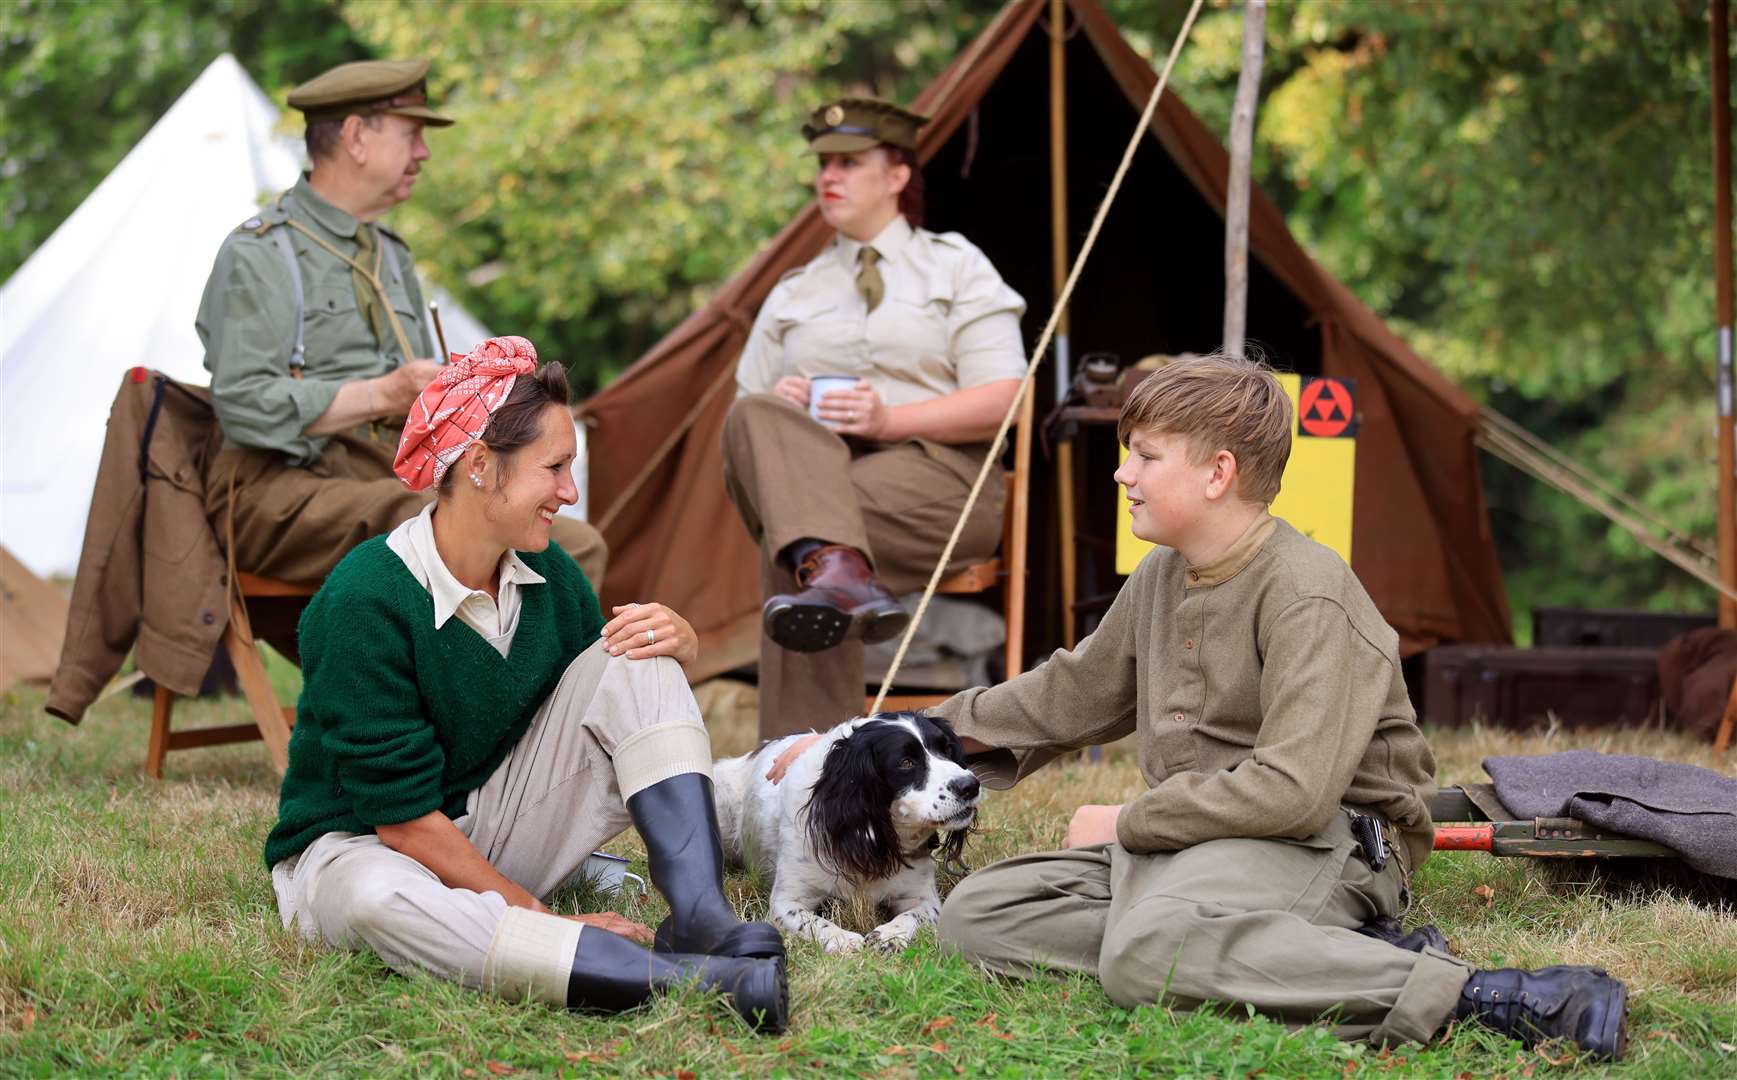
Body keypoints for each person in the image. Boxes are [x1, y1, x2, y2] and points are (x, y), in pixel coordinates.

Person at [930, 354, 1630, 1059]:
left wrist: (1129, 820)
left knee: (1145, 954)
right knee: (980, 914)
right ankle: (1292, 952)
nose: (1122, 474)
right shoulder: (1162, 573)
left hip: (1326, 836)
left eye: (1144, 456)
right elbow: (1070, 694)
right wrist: (906, 736)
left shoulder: (1307, 591)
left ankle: (1502, 998)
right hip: (1206, 840)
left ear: (1217, 473)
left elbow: (1294, 794)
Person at [263, 336, 786, 1032]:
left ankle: (702, 921)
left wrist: (675, 647)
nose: (569, 492)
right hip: (370, 844)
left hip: (491, 825)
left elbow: (607, 711)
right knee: (373, 903)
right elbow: (402, 821)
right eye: (555, 468)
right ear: (480, 466)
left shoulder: (552, 576)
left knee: (634, 648)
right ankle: (691, 986)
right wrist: (531, 909)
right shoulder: (365, 598)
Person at [196, 58, 606, 589]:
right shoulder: (260, 254)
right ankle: (462, 674)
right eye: (411, 133)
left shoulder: (390, 255)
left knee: (575, 547)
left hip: (387, 479)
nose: (423, 152)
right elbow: (242, 404)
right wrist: (382, 394)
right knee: (448, 528)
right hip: (280, 489)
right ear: (356, 137)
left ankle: (539, 676)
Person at [724, 96, 1027, 739]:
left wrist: (890, 420)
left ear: (896, 176)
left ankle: (798, 766)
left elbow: (1009, 399)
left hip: (939, 484)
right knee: (762, 423)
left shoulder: (958, 266)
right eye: (823, 163)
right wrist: (785, 403)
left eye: (849, 162)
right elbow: (745, 431)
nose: (827, 176)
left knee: (797, 545)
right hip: (828, 480)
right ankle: (839, 577)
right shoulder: (794, 290)